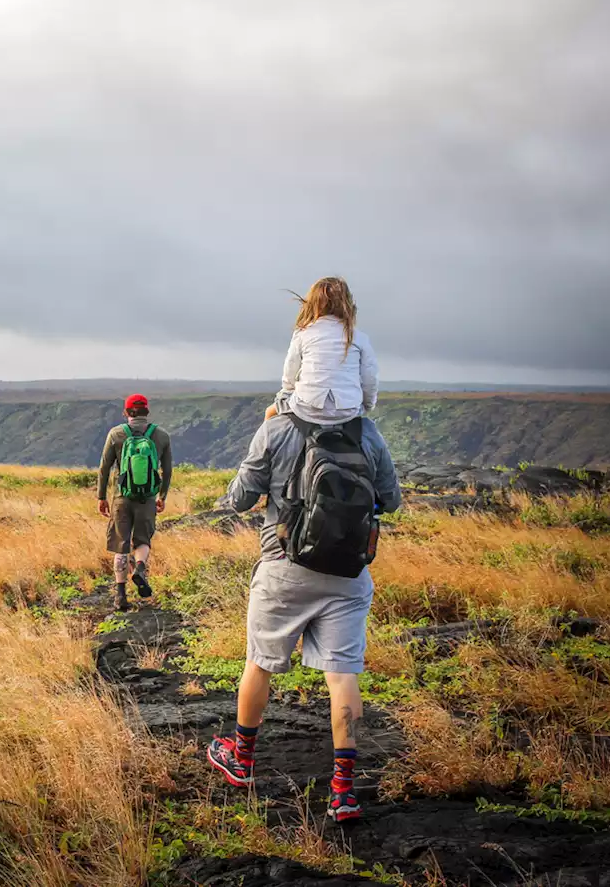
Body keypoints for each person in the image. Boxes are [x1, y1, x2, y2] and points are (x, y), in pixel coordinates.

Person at [205, 409, 401, 822]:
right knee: (343, 675)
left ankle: (241, 761)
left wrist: (268, 428)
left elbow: (240, 498)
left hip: (284, 569)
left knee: (259, 664)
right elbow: (393, 500)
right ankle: (343, 792)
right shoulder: (367, 431)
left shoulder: (277, 427)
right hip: (348, 574)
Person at [264, 277, 379, 425]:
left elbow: (289, 374)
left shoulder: (303, 333)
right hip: (348, 410)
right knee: (375, 442)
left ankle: (263, 447)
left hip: (307, 407)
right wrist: (367, 405)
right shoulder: (359, 337)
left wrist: (287, 392)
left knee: (270, 413)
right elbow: (370, 378)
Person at [97, 394, 173, 612]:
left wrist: (101, 496)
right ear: (146, 412)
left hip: (122, 497)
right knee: (142, 540)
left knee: (121, 544)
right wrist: (162, 496)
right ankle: (139, 566)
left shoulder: (116, 434)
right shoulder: (161, 436)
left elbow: (104, 468)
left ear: (126, 413)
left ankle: (120, 595)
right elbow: (166, 470)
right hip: (147, 498)